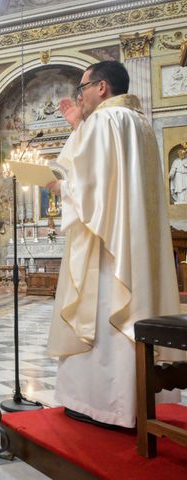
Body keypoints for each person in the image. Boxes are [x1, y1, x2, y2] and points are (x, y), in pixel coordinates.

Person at [46, 61, 183, 429]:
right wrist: (79, 124)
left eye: (83, 87)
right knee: (137, 310)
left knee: (105, 313)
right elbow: (109, 174)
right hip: (136, 242)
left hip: (109, 248)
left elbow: (92, 186)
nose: (81, 95)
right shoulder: (137, 123)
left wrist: (62, 188)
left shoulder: (107, 121)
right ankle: (139, 403)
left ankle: (106, 405)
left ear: (102, 87)